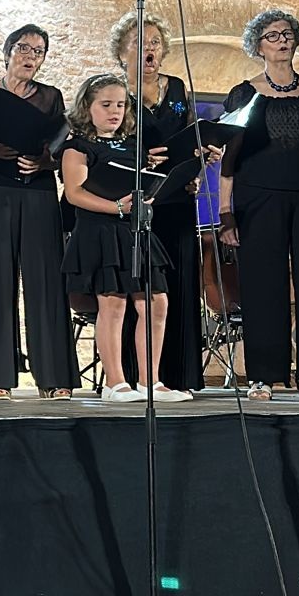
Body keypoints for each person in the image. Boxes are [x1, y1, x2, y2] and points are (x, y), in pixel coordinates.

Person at [217, 9, 299, 401]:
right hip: (259, 196)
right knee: (262, 283)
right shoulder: (244, 93)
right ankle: (264, 376)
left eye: (287, 34)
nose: (282, 40)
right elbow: (229, 159)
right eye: (272, 36)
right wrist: (225, 213)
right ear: (258, 46)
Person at [61, 73, 186, 403]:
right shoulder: (77, 147)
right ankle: (115, 383)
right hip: (100, 231)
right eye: (106, 104)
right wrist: (116, 207)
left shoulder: (134, 145)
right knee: (113, 304)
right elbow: (75, 193)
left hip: (135, 230)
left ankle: (150, 382)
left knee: (156, 302)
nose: (114, 111)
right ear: (87, 107)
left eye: (120, 105)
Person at [0, 24, 73, 399]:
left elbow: (59, 147)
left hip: (38, 186)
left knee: (46, 279)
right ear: (8, 51)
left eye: (38, 51)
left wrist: (45, 162)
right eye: (24, 48)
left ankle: (53, 377)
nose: (30, 56)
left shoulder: (51, 96)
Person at [112, 10, 209, 394]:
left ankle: (179, 376)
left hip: (177, 199)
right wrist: (139, 159)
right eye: (139, 43)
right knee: (140, 287)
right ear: (122, 52)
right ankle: (134, 376)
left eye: (155, 43)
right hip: (135, 201)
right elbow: (100, 144)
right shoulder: (114, 92)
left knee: (179, 283)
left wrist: (200, 162)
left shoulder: (178, 88)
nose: (149, 50)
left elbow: (189, 136)